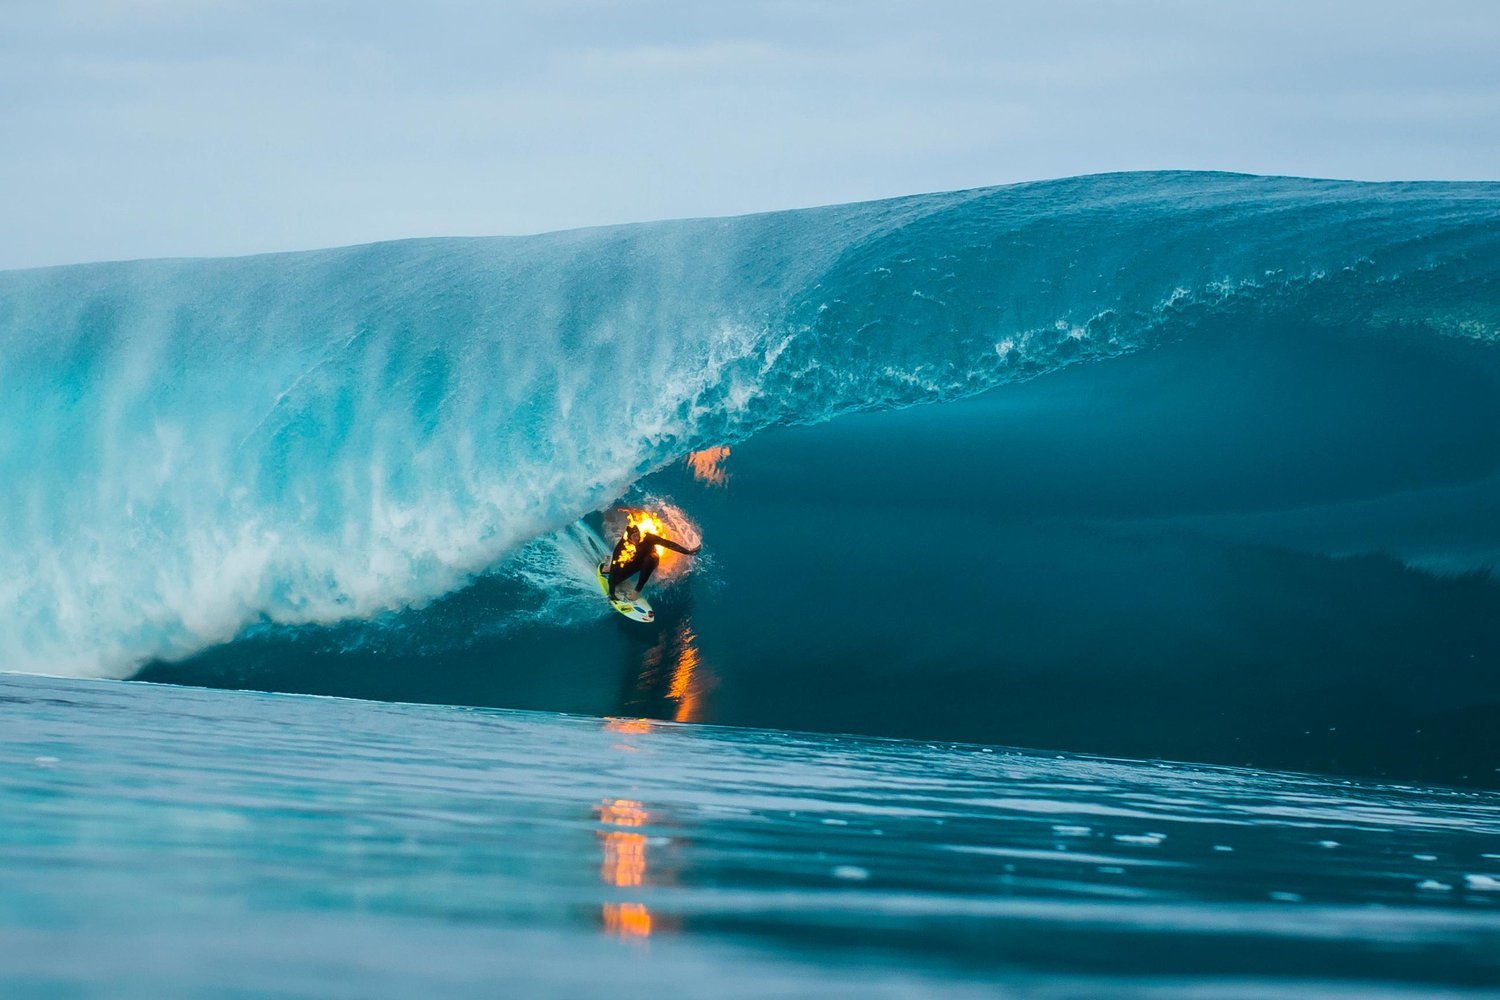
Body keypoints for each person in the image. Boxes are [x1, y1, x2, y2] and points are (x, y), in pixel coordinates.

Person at [605, 518, 699, 602]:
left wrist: (688, 552)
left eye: (638, 535)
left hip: (651, 559)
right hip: (635, 561)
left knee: (648, 560)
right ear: (629, 538)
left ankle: (636, 591)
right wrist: (612, 593)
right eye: (634, 536)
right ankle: (610, 568)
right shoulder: (623, 544)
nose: (637, 538)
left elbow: (668, 544)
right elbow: (616, 561)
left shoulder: (648, 538)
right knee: (615, 576)